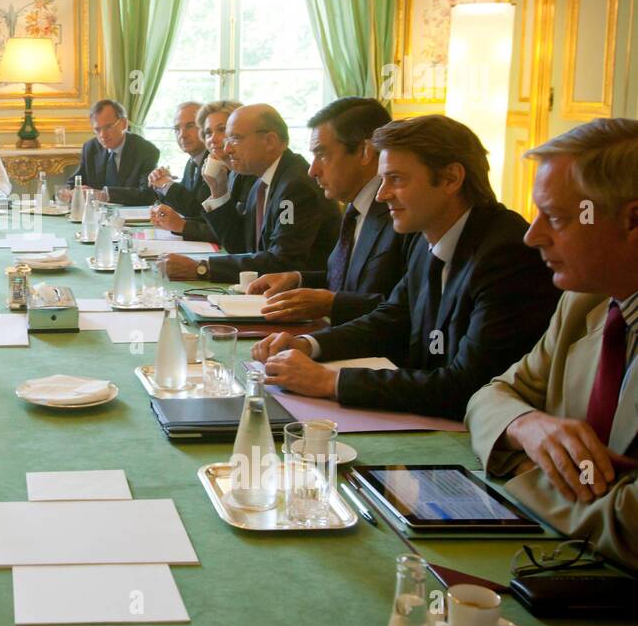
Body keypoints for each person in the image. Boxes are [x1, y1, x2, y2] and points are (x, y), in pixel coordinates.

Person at [253, 115, 560, 421]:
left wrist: (329, 381)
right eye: (383, 179)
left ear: (452, 178)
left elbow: (468, 386)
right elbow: (392, 320)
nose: (381, 194)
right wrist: (308, 344)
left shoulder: (507, 254)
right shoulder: (427, 236)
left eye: (396, 179)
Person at [466, 119, 638, 569]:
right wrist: (528, 427)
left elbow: (629, 526)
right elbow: (488, 397)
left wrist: (522, 470)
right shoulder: (585, 304)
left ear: (632, 219)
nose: (531, 235)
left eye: (557, 218)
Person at [246, 97, 412, 325]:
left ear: (364, 152)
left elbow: (408, 308)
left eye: (322, 154)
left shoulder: (403, 211)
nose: (312, 170)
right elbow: (346, 280)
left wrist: (332, 304)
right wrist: (297, 279)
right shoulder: (356, 207)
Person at [154, 103, 340, 283]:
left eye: (235, 138)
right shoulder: (261, 182)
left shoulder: (296, 187)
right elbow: (240, 246)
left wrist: (201, 267)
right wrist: (219, 193)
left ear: (270, 141)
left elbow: (282, 262)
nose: (227, 149)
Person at [56, 99, 159, 205]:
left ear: (124, 123)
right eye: (97, 129)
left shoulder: (146, 151)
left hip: (130, 217)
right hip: (97, 217)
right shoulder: (91, 148)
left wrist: (104, 195)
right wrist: (66, 193)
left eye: (108, 127)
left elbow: (148, 195)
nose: (102, 135)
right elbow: (73, 183)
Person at [112, 101, 205, 209]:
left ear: (205, 127)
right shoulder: (192, 162)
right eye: (177, 129)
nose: (182, 135)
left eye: (190, 126)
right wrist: (161, 183)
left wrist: (166, 185)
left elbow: (196, 210)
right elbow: (183, 204)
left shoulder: (213, 161)